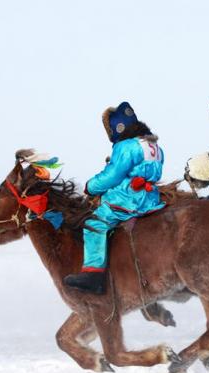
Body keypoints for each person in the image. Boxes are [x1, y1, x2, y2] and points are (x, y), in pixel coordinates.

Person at [64, 102, 165, 294]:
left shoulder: (125, 146)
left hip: (127, 200)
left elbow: (113, 175)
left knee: (94, 224)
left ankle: (94, 275)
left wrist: (90, 186)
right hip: (151, 199)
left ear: (119, 127)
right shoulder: (154, 146)